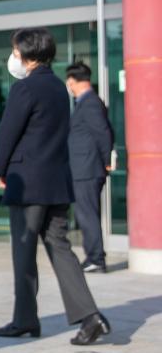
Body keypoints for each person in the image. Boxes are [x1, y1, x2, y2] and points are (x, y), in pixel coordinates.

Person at [0, 28, 111, 346]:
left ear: (27, 53)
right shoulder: (59, 87)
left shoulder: (24, 88)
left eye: (15, 51)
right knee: (60, 248)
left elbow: (8, 132)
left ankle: (25, 320)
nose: (14, 57)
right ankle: (90, 317)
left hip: (27, 182)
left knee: (24, 251)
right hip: (57, 181)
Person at [65, 61, 114, 273]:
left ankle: (96, 258)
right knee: (86, 213)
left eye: (69, 81)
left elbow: (103, 133)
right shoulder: (88, 102)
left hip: (87, 168)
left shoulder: (90, 102)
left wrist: (106, 161)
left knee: (87, 215)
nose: (69, 86)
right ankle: (94, 256)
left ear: (73, 81)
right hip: (85, 167)